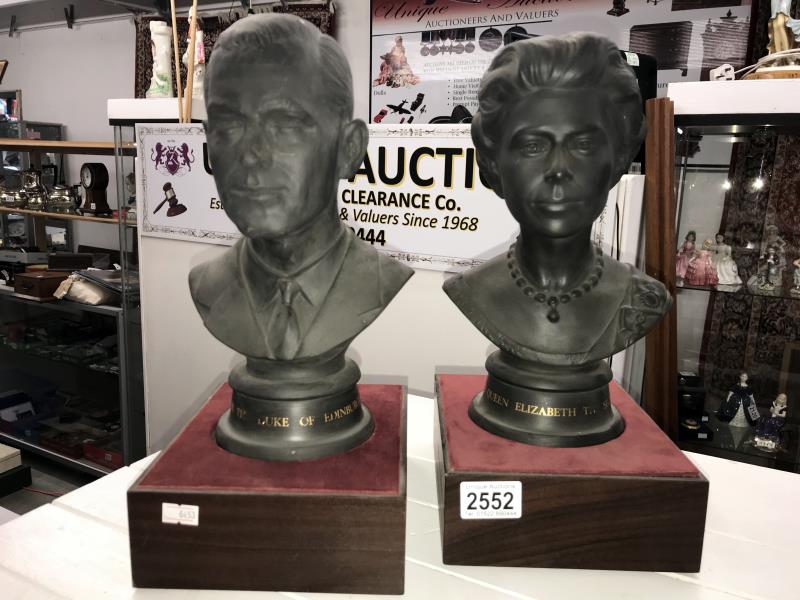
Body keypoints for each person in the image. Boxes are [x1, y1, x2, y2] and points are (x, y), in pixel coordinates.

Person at [190, 14, 412, 362]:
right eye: (229, 126)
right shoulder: (206, 286)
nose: (249, 154)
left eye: (284, 126)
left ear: (348, 149)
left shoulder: (380, 280)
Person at [444, 33, 671, 366]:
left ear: (619, 158)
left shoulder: (644, 300)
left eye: (583, 146)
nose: (558, 170)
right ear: (492, 165)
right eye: (533, 146)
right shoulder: (471, 291)